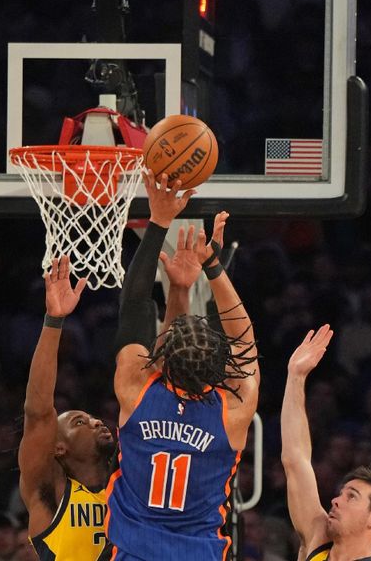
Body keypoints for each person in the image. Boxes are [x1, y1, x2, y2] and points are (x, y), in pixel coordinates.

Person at [106, 171, 260, 560]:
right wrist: (214, 268)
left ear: (159, 362)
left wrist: (159, 221)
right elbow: (243, 340)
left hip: (134, 552)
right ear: (221, 370)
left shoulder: (136, 389)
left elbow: (135, 304)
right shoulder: (233, 410)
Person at [17, 256, 117, 561]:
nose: (96, 421)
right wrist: (54, 321)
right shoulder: (49, 491)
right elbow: (37, 414)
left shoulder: (125, 484)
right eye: (79, 422)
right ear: (58, 448)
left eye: (90, 417)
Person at [281, 326, 371, 561]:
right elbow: (295, 460)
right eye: (342, 493)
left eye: (352, 497)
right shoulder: (318, 540)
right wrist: (296, 377)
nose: (336, 500)